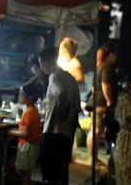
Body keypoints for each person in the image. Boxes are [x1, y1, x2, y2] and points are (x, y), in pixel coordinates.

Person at [37, 46, 80, 185]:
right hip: (67, 135)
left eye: (40, 63)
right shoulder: (70, 78)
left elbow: (61, 94)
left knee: (52, 176)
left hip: (53, 134)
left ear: (45, 62)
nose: (40, 67)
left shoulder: (54, 77)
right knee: (62, 174)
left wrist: (62, 115)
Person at [87, 44, 118, 167]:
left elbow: (94, 88)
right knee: (96, 130)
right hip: (101, 104)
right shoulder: (106, 66)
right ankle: (92, 159)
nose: (115, 58)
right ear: (111, 55)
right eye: (115, 55)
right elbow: (105, 84)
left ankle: (93, 158)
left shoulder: (98, 66)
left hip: (96, 102)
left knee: (95, 130)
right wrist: (109, 100)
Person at [9, 83, 44, 185]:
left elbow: (25, 133)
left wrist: (12, 132)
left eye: (22, 94)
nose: (19, 97)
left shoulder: (28, 112)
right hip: (32, 145)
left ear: (30, 97)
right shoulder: (34, 110)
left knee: (25, 173)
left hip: (27, 146)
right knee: (25, 172)